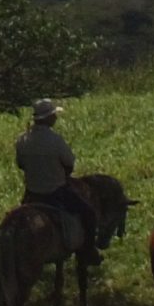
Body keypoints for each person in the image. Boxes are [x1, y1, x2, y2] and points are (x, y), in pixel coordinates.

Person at [15, 97, 98, 257]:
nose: (55, 118)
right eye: (53, 115)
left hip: (32, 193)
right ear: (47, 118)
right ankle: (89, 249)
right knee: (89, 213)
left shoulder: (22, 140)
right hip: (56, 192)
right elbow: (69, 163)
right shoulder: (55, 140)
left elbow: (21, 164)